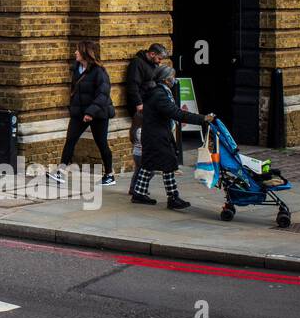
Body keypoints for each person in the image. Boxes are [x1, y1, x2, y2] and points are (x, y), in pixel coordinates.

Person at [133, 64, 214, 210]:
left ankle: (139, 193)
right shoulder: (160, 95)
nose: (174, 80)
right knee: (169, 164)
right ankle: (173, 197)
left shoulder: (158, 92)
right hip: (157, 135)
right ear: (166, 79)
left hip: (154, 133)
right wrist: (203, 119)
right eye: (173, 77)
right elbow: (177, 114)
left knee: (149, 164)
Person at [50, 41, 116, 186]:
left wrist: (91, 112)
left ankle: (109, 174)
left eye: (77, 51)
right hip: (79, 112)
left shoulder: (99, 72)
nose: (75, 53)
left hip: (98, 113)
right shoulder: (76, 69)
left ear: (85, 53)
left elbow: (103, 94)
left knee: (101, 143)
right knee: (70, 140)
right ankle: (60, 172)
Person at [126, 42, 168, 188]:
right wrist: (139, 104)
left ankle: (136, 188)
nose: (160, 62)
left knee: (146, 156)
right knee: (143, 148)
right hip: (142, 107)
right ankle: (137, 188)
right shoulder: (138, 64)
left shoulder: (152, 65)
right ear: (151, 54)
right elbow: (133, 85)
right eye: (159, 58)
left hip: (149, 105)